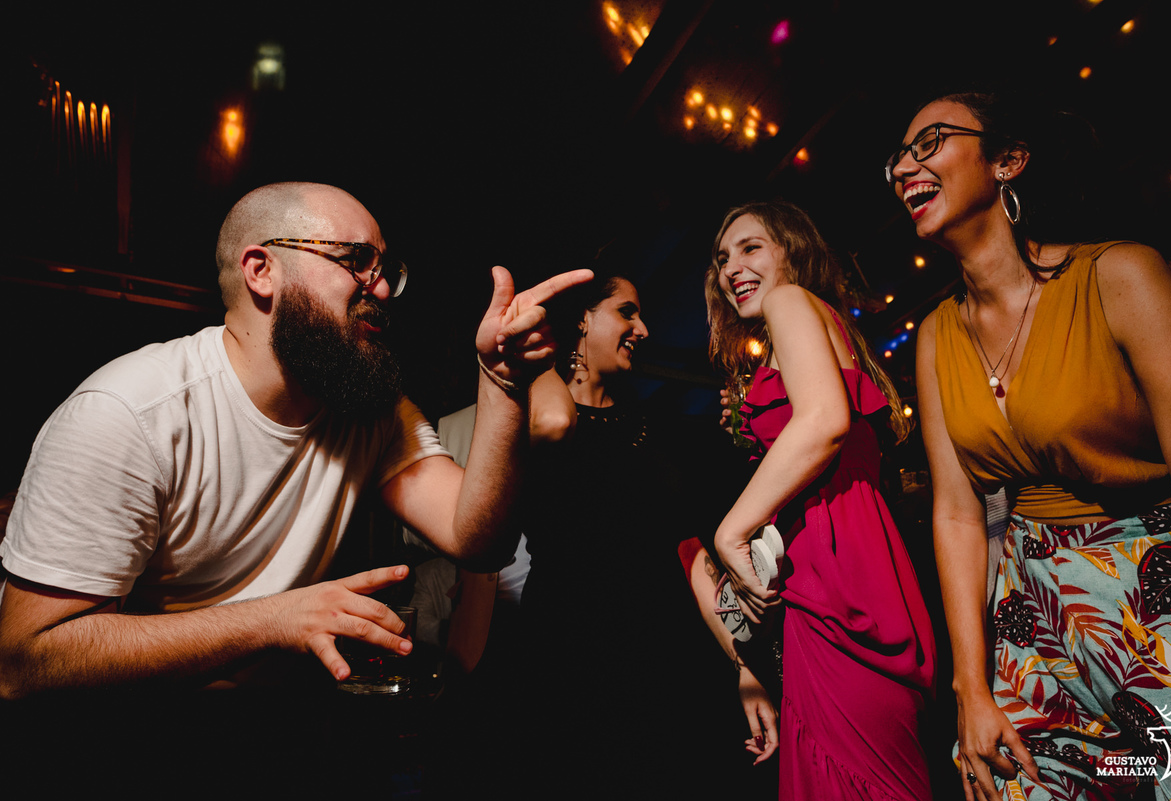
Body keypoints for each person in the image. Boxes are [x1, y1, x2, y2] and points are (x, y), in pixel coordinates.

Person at [0, 181, 590, 697]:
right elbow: (25, 662)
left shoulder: (371, 414)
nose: (380, 290)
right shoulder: (129, 414)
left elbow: (479, 539)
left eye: (386, 271)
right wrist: (274, 620)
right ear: (262, 271)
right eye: (357, 260)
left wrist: (502, 382)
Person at [891, 92, 1171, 800]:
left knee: (1166, 780)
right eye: (899, 157)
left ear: (1007, 160)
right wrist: (971, 687)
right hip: (1030, 616)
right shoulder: (938, 333)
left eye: (928, 141)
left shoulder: (1119, 276)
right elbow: (958, 513)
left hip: (1157, 594)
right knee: (1021, 785)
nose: (906, 165)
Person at [707, 200, 937, 800]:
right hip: (845, 565)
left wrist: (729, 531)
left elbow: (825, 420)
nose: (732, 267)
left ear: (792, 251)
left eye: (751, 247)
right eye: (722, 257)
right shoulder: (824, 321)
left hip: (838, 578)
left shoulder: (789, 301)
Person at [512, 271, 736, 798]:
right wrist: (551, 349)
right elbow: (553, 421)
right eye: (627, 312)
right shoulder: (531, 411)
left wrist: (740, 660)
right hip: (571, 660)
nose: (644, 329)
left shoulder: (653, 427)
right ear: (583, 318)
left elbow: (689, 551)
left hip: (664, 660)